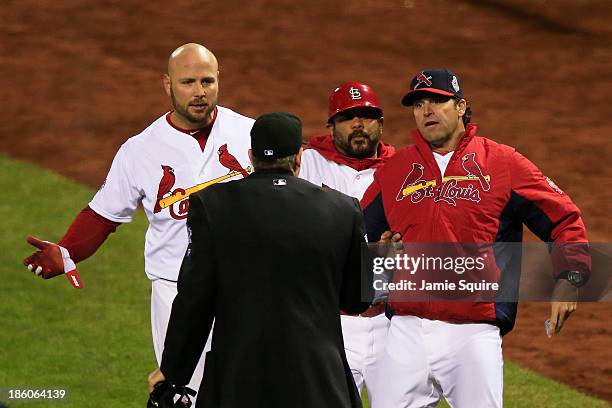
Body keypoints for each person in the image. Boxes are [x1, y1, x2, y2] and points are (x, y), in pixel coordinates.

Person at [23, 43, 254, 402]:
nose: (199, 92)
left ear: (219, 79)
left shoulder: (249, 133)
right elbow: (103, 215)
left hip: (245, 289)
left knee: (251, 392)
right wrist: (67, 250)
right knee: (183, 395)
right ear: (167, 84)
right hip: (176, 292)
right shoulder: (140, 150)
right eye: (187, 82)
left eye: (207, 81)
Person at [361, 68, 591, 408]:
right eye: (419, 103)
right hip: (405, 332)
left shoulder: (502, 163)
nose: (427, 111)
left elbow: (563, 217)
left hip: (472, 332)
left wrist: (570, 277)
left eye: (438, 101)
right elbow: (357, 234)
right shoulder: (395, 172)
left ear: (460, 106)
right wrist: (376, 252)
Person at [148, 112, 373, 407]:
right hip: (317, 379)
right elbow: (359, 299)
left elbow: (194, 301)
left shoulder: (212, 204)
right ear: (299, 157)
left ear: (252, 156)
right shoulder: (343, 210)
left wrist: (173, 373)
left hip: (238, 379)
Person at [299, 82, 396, 402]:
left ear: (381, 124)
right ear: (332, 126)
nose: (358, 124)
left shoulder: (403, 171)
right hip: (329, 325)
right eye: (347, 117)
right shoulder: (305, 164)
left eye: (366, 116)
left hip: (391, 325)